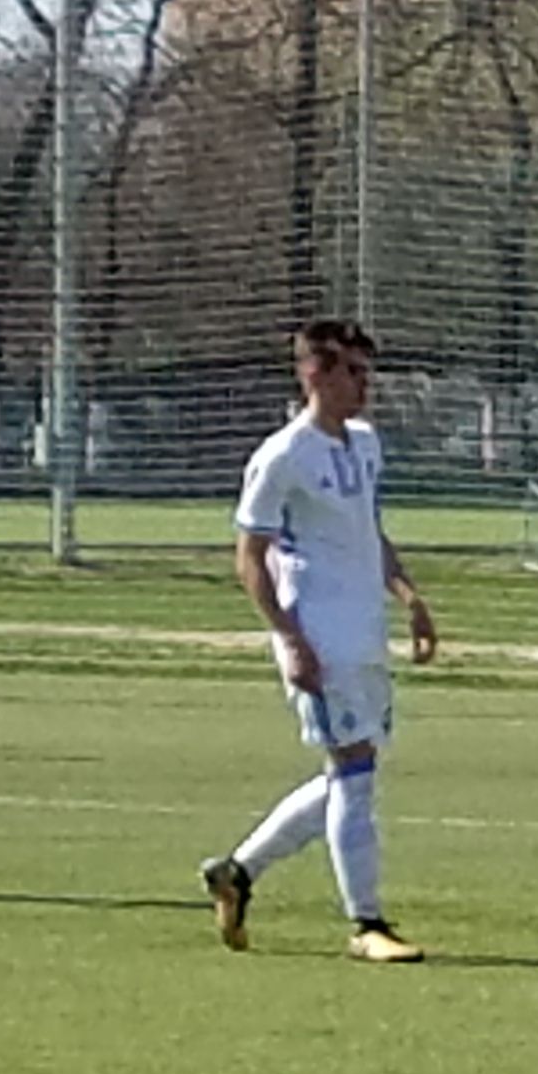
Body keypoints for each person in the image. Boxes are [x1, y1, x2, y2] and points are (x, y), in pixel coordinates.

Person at [201, 319, 439, 963]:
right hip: (320, 637)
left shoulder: (363, 443)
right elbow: (249, 557)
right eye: (353, 372)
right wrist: (290, 638)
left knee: (349, 774)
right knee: (354, 773)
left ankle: (238, 872)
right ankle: (367, 923)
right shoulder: (282, 456)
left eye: (368, 372)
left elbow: (369, 531)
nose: (366, 386)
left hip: (365, 634)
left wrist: (410, 598)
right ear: (315, 375)